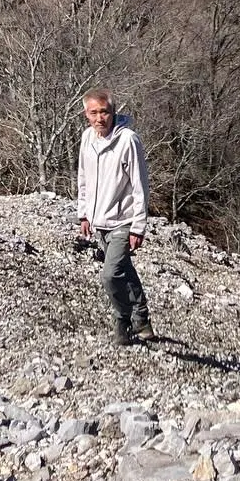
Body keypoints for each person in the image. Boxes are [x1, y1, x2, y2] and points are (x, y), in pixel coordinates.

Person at [76, 87, 154, 345]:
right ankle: (142, 319)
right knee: (124, 271)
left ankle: (123, 320)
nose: (100, 118)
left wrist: (138, 227)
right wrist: (84, 214)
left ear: (113, 112)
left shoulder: (128, 140)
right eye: (94, 112)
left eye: (105, 112)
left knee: (110, 274)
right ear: (86, 114)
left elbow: (140, 185)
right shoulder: (87, 138)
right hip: (99, 221)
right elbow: (84, 179)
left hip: (123, 220)